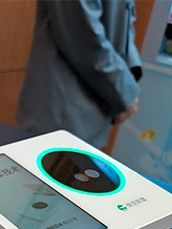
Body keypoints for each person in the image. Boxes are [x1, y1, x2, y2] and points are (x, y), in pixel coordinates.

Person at [17, 0, 142, 148]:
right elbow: (83, 37)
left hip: (94, 104)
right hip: (63, 111)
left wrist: (126, 82)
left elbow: (126, 16)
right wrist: (123, 90)